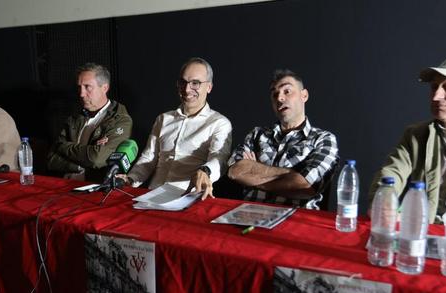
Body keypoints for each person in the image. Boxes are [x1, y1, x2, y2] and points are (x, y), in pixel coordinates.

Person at [369, 54, 446, 225]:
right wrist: (384, 201)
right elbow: (390, 173)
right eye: (434, 87)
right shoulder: (416, 135)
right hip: (425, 236)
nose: (436, 96)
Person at [118, 57, 232, 200]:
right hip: (151, 196)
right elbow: (148, 158)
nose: (187, 89)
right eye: (183, 82)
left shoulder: (219, 123)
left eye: (195, 83)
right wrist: (130, 180)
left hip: (187, 199)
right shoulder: (163, 119)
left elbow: (219, 158)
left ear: (209, 87)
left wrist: (206, 171)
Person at [227, 69, 339, 209]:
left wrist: (253, 172)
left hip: (296, 222)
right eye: (275, 94)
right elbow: (234, 172)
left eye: (287, 91)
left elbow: (306, 185)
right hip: (248, 214)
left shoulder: (323, 139)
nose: (279, 98)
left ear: (304, 95)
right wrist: (292, 175)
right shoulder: (257, 134)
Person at [47, 63, 132, 182]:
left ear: (104, 88)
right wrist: (80, 164)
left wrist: (63, 147)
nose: (81, 94)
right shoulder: (75, 117)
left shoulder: (120, 120)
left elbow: (96, 159)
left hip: (95, 189)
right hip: (65, 185)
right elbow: (51, 159)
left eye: (88, 87)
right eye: (79, 87)